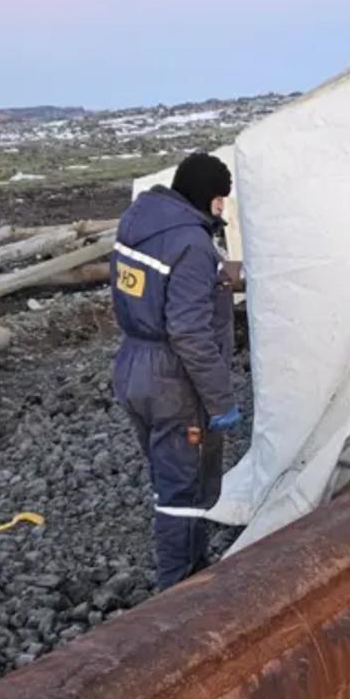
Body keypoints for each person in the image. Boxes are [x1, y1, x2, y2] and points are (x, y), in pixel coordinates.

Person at [110, 152, 238, 589]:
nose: (222, 208)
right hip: (173, 380)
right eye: (221, 199)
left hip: (133, 365)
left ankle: (190, 574)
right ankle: (180, 597)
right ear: (208, 196)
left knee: (166, 476)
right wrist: (220, 399)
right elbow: (189, 332)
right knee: (185, 491)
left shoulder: (137, 222)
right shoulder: (192, 245)